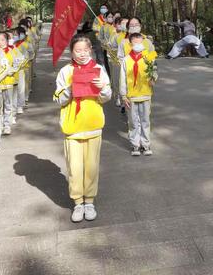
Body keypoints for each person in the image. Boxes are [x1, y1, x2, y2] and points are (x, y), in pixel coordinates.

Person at [53, 35, 112, 223]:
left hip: (93, 124)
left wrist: (103, 88)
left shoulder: (99, 69)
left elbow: (106, 97)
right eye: (78, 50)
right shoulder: (65, 71)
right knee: (75, 168)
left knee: (92, 167)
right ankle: (78, 202)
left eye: (85, 50)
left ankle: (90, 201)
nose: (82, 54)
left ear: (91, 50)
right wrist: (70, 89)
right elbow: (58, 100)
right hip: (73, 127)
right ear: (72, 52)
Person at [120, 33, 158, 156]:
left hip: (145, 93)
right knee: (133, 121)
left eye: (140, 42)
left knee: (145, 120)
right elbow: (122, 79)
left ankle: (146, 144)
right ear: (130, 44)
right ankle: (135, 145)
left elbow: (155, 71)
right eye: (136, 43)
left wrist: (154, 78)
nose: (138, 45)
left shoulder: (149, 56)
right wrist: (123, 95)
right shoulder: (126, 60)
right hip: (131, 96)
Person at [0, 32, 18, 135]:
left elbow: (19, 62)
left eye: (2, 40)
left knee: (8, 104)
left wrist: (12, 70)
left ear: (6, 41)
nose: (0, 42)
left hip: (9, 81)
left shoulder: (12, 50)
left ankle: (7, 125)